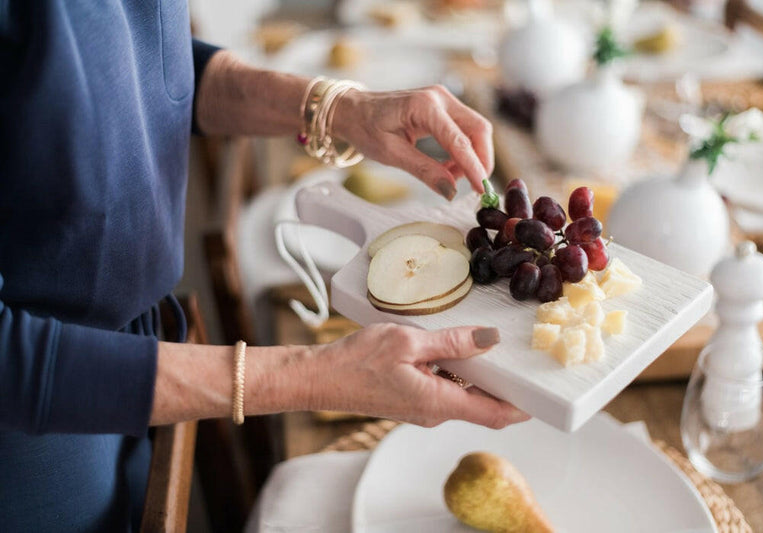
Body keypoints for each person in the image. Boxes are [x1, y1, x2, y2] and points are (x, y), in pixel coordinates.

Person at [0, 1, 529, 530]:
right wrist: (312, 377)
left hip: (139, 353)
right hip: (39, 430)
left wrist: (337, 107)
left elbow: (141, 71)